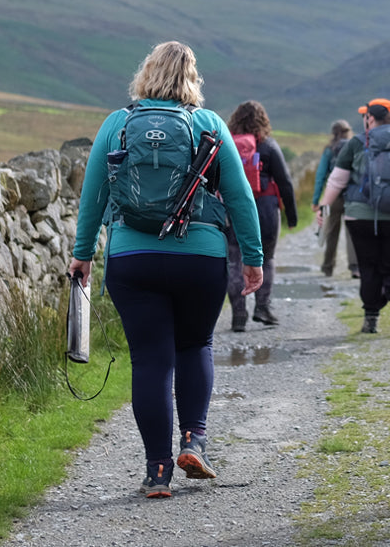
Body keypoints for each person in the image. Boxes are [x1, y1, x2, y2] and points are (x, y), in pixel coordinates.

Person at [68, 41, 264, 499]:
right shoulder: (208, 124)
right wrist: (252, 259)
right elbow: (238, 196)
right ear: (191, 78)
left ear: (147, 74)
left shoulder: (117, 125)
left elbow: (93, 196)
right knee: (195, 344)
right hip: (200, 256)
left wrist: (82, 254)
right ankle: (193, 440)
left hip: (134, 259)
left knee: (151, 361)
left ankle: (157, 471)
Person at [315, 98, 390, 334]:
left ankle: (370, 318)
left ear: (370, 118)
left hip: (360, 216)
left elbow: (337, 180)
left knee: (368, 266)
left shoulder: (356, 143)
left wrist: (323, 207)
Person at [225, 100, 298, 331]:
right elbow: (285, 183)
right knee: (266, 258)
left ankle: (238, 315)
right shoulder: (268, 146)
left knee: (235, 260)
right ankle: (262, 308)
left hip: (232, 209)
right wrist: (292, 215)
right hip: (265, 209)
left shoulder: (227, 145)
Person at [311, 119, 359, 278]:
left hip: (334, 196)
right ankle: (355, 268)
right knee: (352, 232)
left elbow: (320, 176)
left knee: (331, 231)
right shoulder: (355, 146)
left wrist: (316, 200)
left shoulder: (330, 150)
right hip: (353, 195)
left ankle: (328, 267)